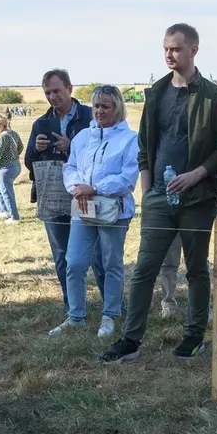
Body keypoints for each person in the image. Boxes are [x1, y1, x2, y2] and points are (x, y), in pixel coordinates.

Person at [100, 23, 217, 364]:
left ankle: (193, 337)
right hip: (159, 196)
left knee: (196, 269)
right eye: (165, 49)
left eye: (175, 48)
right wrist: (149, 191)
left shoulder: (213, 96)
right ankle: (130, 340)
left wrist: (196, 175)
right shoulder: (156, 92)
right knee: (145, 268)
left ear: (193, 50)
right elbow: (145, 146)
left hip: (199, 197)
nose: (169, 54)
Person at [52, 85, 140, 338]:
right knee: (75, 261)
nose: (100, 111)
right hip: (83, 207)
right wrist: (77, 188)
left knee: (111, 263)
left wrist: (96, 187)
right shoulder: (82, 137)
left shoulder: (129, 139)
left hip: (114, 210)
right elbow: (70, 167)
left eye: (106, 106)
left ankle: (110, 315)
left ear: (117, 108)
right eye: (97, 106)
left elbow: (127, 178)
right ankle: (75, 315)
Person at [26, 69, 102, 311]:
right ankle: (73, 307)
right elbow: (28, 162)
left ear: (70, 88)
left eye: (56, 91)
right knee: (62, 254)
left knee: (98, 253)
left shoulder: (91, 117)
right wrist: (36, 150)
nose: (52, 97)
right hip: (52, 195)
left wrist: (72, 147)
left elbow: (104, 156)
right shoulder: (41, 123)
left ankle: (112, 306)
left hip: (86, 193)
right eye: (47, 92)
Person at [0, 113, 23, 223]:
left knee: (7, 192)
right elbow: (21, 146)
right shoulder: (13, 133)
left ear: (1, 124)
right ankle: (3, 211)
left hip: (6, 168)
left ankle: (14, 217)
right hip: (15, 165)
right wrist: (14, 155)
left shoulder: (3, 136)